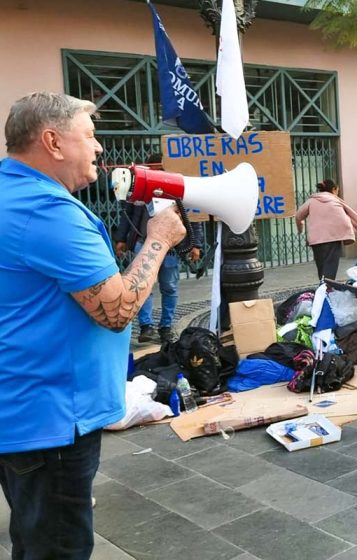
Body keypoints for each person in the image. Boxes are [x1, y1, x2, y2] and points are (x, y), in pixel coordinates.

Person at [0, 92, 186, 558]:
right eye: (90, 135)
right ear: (52, 141)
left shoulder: (11, 192)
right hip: (54, 420)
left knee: (33, 536)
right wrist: (159, 239)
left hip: (24, 408)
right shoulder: (47, 212)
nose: (99, 147)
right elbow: (118, 310)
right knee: (57, 548)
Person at [114, 154, 204, 344]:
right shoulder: (139, 188)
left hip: (171, 247)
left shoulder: (178, 188)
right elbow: (127, 215)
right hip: (143, 242)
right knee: (142, 286)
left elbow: (193, 217)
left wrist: (196, 244)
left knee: (169, 287)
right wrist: (121, 239)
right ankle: (146, 326)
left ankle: (166, 327)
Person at [295, 178, 357, 281]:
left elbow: (298, 216)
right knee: (330, 266)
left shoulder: (311, 201)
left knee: (321, 266)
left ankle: (323, 286)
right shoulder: (336, 201)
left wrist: (300, 229)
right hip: (333, 238)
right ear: (334, 189)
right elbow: (353, 218)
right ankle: (326, 288)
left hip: (316, 240)